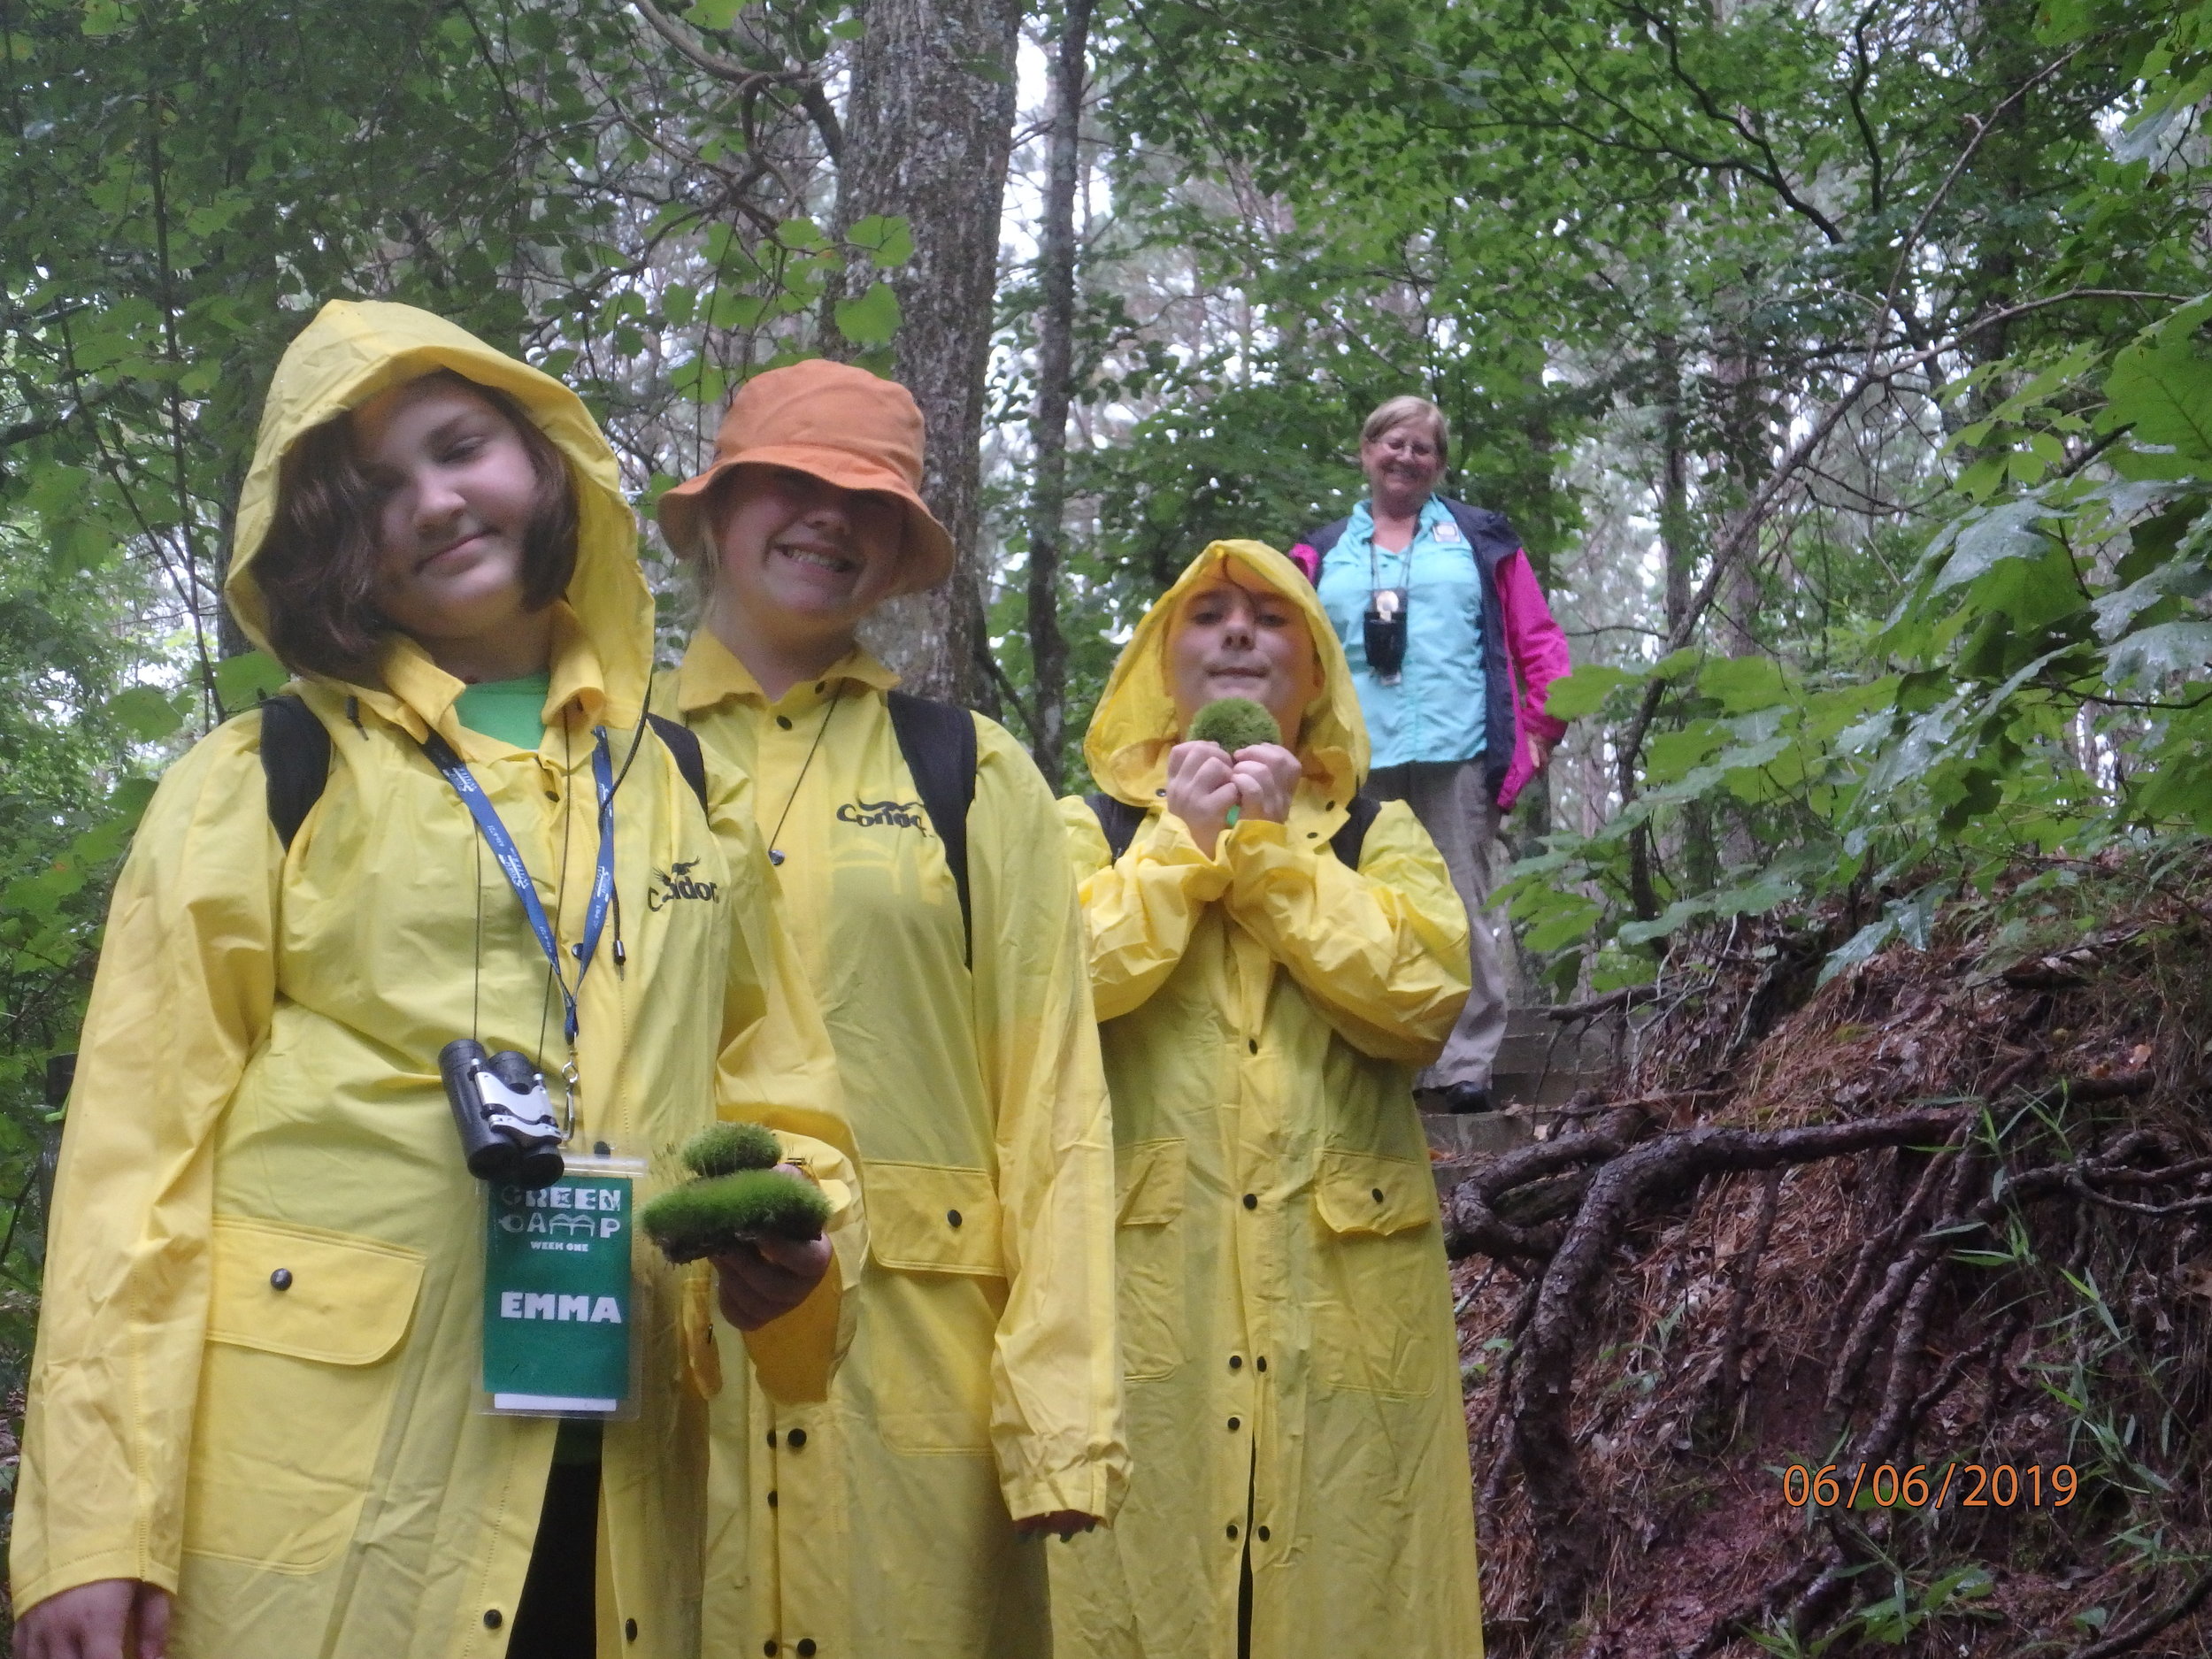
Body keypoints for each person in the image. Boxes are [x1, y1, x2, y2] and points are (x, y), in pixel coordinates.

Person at [9, 300, 856, 1659]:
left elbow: (781, 1086)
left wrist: (798, 1258)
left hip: (626, 1488)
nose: (434, 502)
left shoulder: (685, 783)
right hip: (323, 1498)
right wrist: (97, 1526)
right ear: (324, 546)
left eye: (461, 447)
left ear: (542, 463)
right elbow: (131, 1162)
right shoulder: (265, 779)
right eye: (374, 492)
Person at [657, 359, 1125, 1659]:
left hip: (924, 1378)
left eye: (866, 498)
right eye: (792, 484)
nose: (829, 518)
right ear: (716, 510)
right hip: (668, 1367)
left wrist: (1059, 1413)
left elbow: (1055, 1099)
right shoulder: (612, 759)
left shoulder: (971, 771)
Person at [1048, 539, 1482, 1659]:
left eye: (1270, 618)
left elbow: (1421, 1001)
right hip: (1147, 1293)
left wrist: (1280, 856)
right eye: (1209, 615)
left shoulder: (1376, 830)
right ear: (1163, 662)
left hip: (1341, 1307)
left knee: (1351, 1587)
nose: (1239, 631)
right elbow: (1048, 992)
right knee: (1138, 1589)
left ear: (1314, 672)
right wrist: (1182, 848)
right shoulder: (1079, 829)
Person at [1290, 395, 1571, 1113]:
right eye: (1393, 443)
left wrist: (1540, 732)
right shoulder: (1320, 553)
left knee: (1458, 902)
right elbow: (1290, 656)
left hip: (1459, 749)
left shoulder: (1480, 539)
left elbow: (1537, 638)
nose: (1406, 457)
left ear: (1439, 464)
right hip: (1353, 758)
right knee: (1363, 907)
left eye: (1422, 448)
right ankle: (1377, 1057)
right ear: (1366, 452)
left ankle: (1465, 1062)